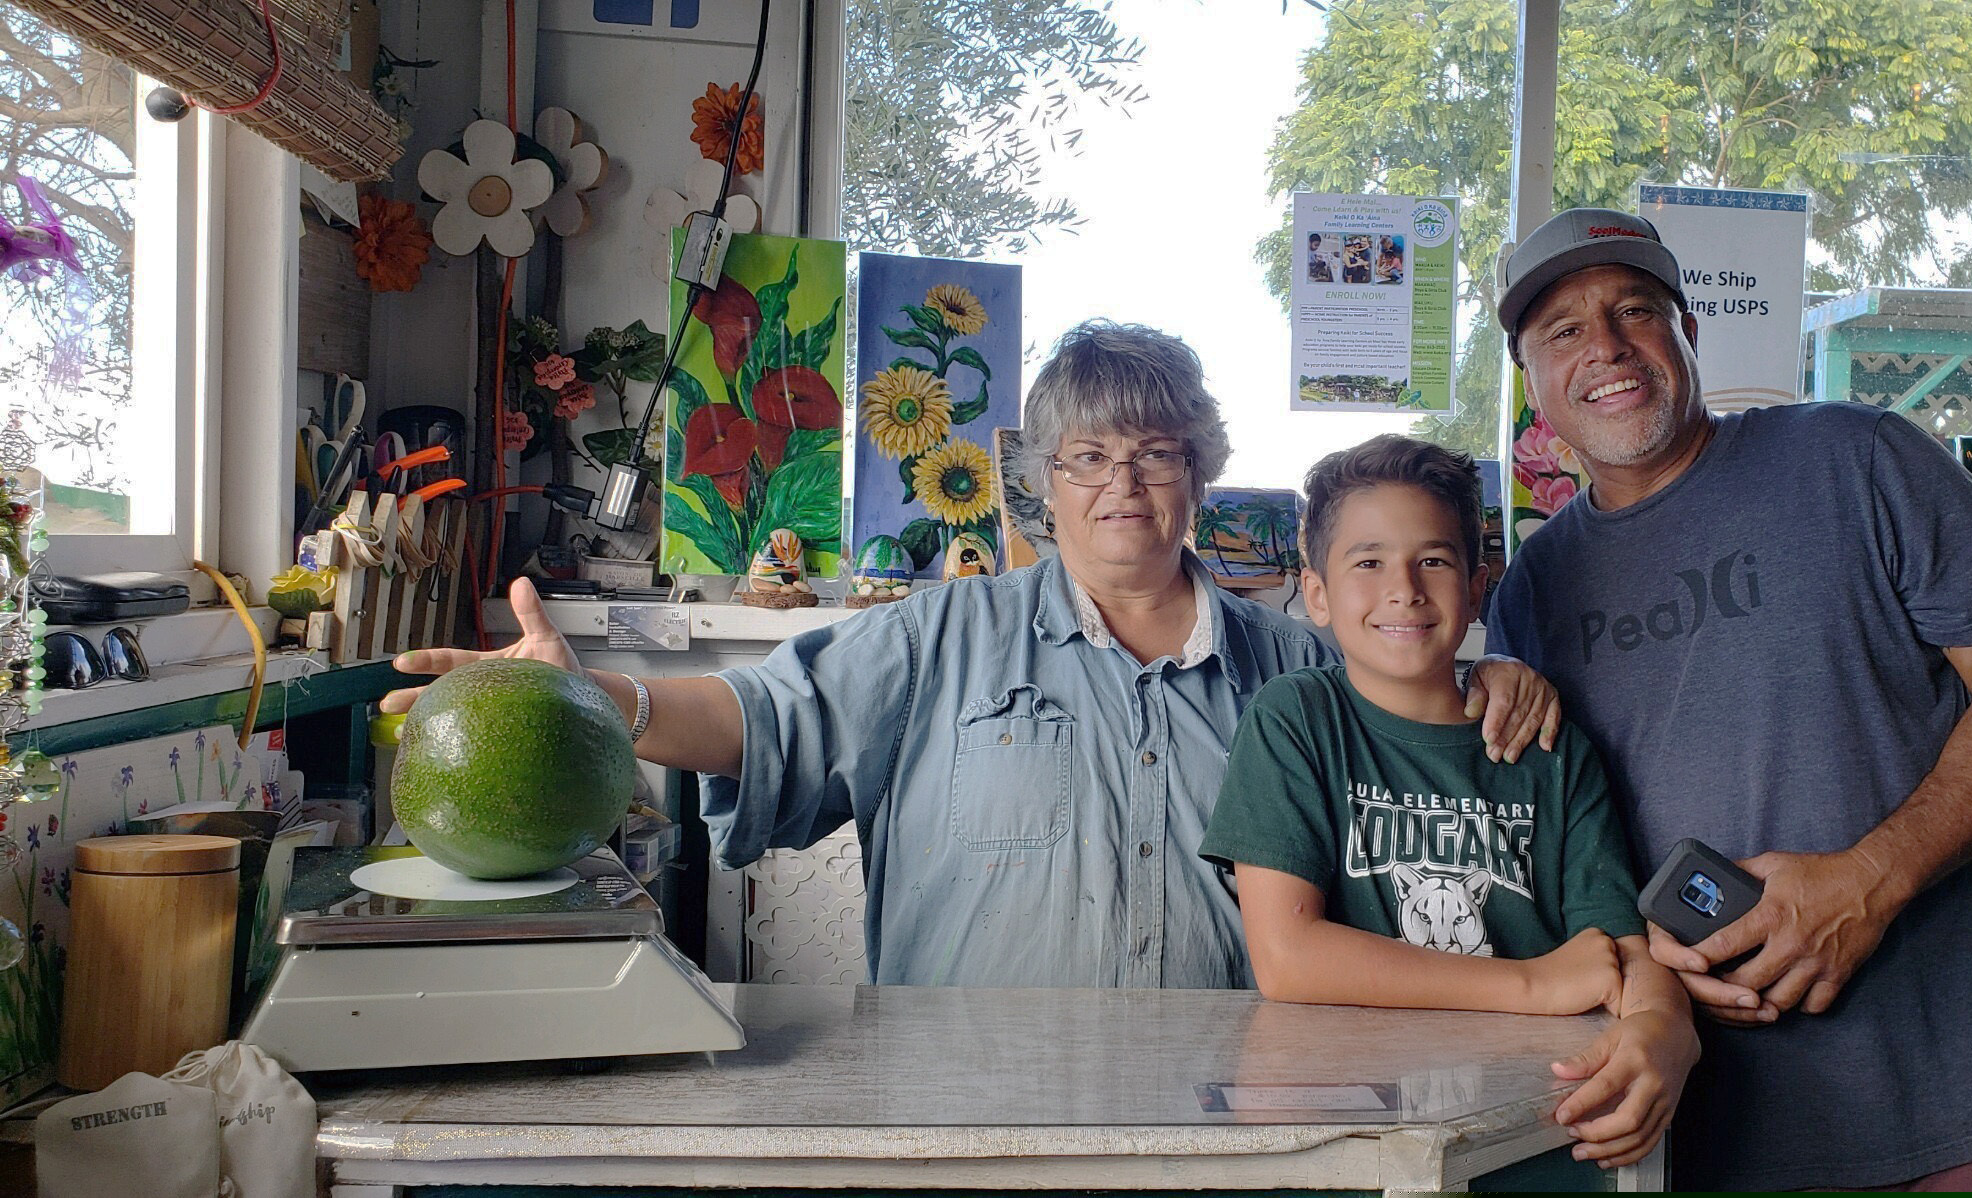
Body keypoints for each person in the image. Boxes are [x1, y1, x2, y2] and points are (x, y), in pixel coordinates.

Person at [383, 319, 1563, 990]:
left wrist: (1484, 681)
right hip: (968, 1109)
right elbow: (761, 720)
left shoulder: (1293, 675)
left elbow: (1416, 752)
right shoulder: (934, 638)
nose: (1123, 487)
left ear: (1198, 474)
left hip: (1233, 1111)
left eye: (1155, 454)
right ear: (1043, 484)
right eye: (1087, 458)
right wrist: (593, 700)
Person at [1481, 208, 1972, 1191]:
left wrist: (1870, 877)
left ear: (1686, 333)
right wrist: (1630, 953)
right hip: (1684, 1125)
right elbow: (1546, 841)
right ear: (1531, 385)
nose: (1602, 346)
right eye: (1560, 329)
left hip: (1936, 1102)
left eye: (1633, 309)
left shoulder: (1857, 459)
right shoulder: (1529, 590)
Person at [1200, 435, 1695, 1169]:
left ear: (1476, 584)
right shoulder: (1297, 718)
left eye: (1432, 559)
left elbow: (1617, 951)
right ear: (1316, 593)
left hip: (1531, 1130)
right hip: (1343, 1140)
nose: (1403, 587)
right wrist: (1532, 983)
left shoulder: (1550, 750)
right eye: (1367, 562)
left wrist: (1666, 1030)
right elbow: (1288, 956)